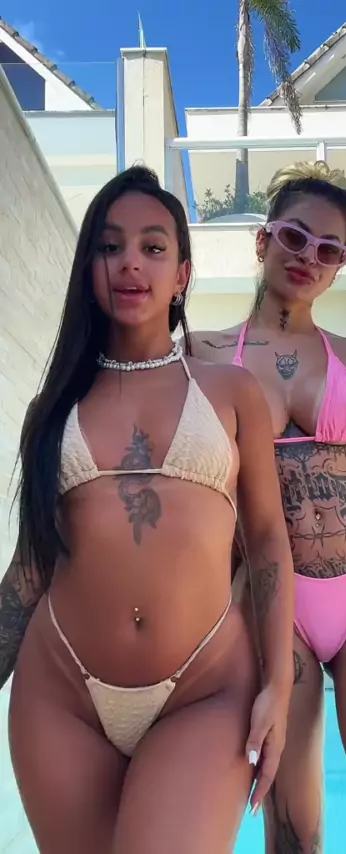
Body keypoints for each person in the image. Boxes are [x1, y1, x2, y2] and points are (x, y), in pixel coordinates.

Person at [0, 166, 295, 854]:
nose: (131, 262)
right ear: (90, 270)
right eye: (110, 246)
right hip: (61, 697)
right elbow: (30, 568)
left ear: (182, 274)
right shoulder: (53, 409)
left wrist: (278, 687)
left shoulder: (232, 393)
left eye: (153, 247)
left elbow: (267, 544)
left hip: (206, 691)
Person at [189, 161, 346, 854]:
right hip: (276, 607)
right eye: (295, 237)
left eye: (331, 250)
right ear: (263, 239)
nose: (309, 257)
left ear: (339, 268)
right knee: (293, 836)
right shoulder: (201, 354)